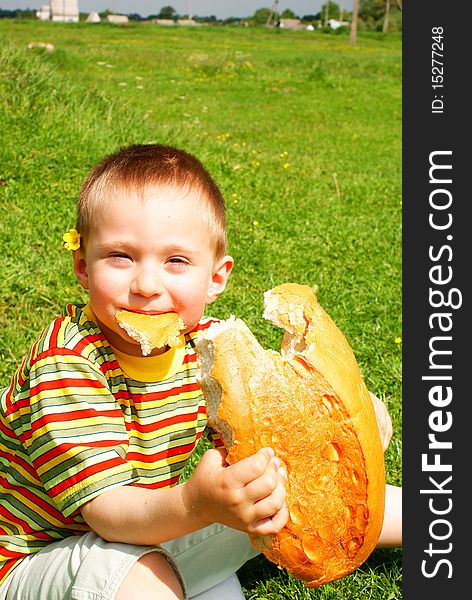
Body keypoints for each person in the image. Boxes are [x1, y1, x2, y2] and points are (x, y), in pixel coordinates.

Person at [0, 144, 401, 600]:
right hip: (35, 557)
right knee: (140, 574)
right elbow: (108, 513)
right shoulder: (67, 363)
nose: (147, 285)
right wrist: (196, 503)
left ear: (215, 277)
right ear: (82, 266)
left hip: (147, 531)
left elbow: (274, 443)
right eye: (120, 256)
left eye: (175, 261)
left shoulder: (206, 345)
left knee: (268, 491)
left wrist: (346, 431)